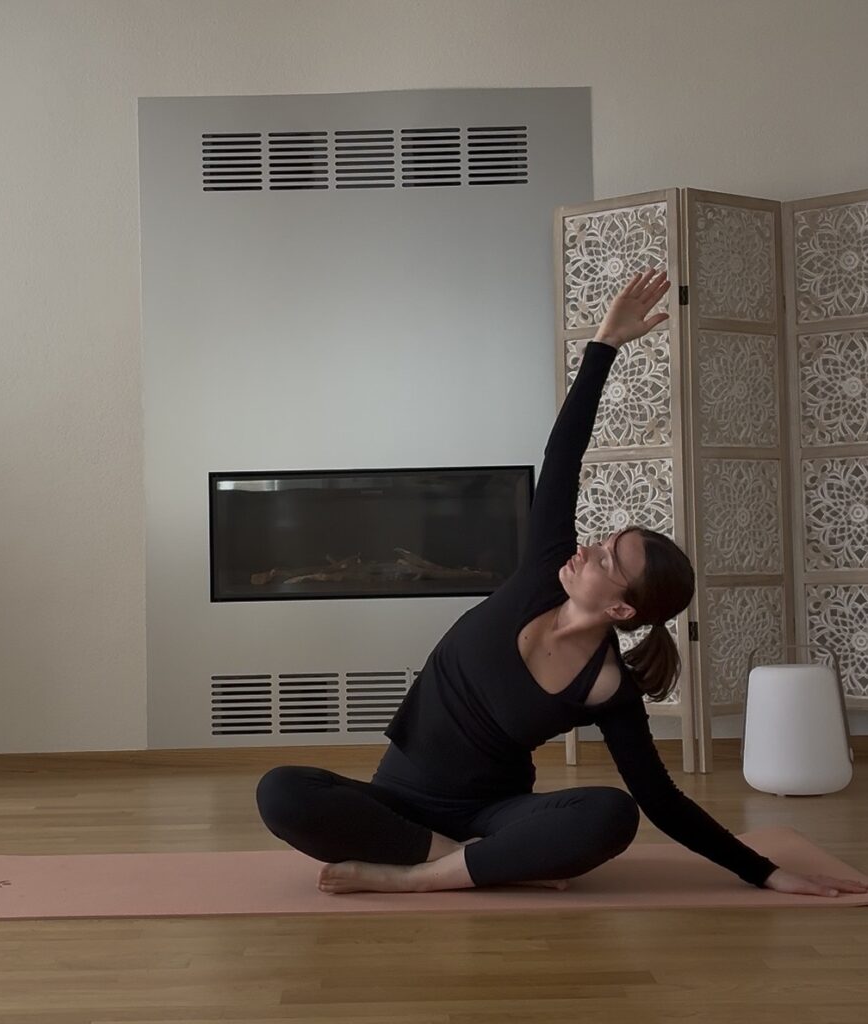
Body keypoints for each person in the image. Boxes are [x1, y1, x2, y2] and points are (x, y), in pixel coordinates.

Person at [256, 267, 868, 901]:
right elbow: (565, 455)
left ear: (623, 608)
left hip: (495, 815)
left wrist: (766, 872)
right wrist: (605, 343)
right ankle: (466, 863)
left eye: (607, 560)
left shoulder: (608, 688)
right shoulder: (541, 573)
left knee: (611, 814)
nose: (588, 551)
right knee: (281, 790)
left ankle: (419, 877)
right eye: (603, 541)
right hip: (397, 805)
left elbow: (660, 800)